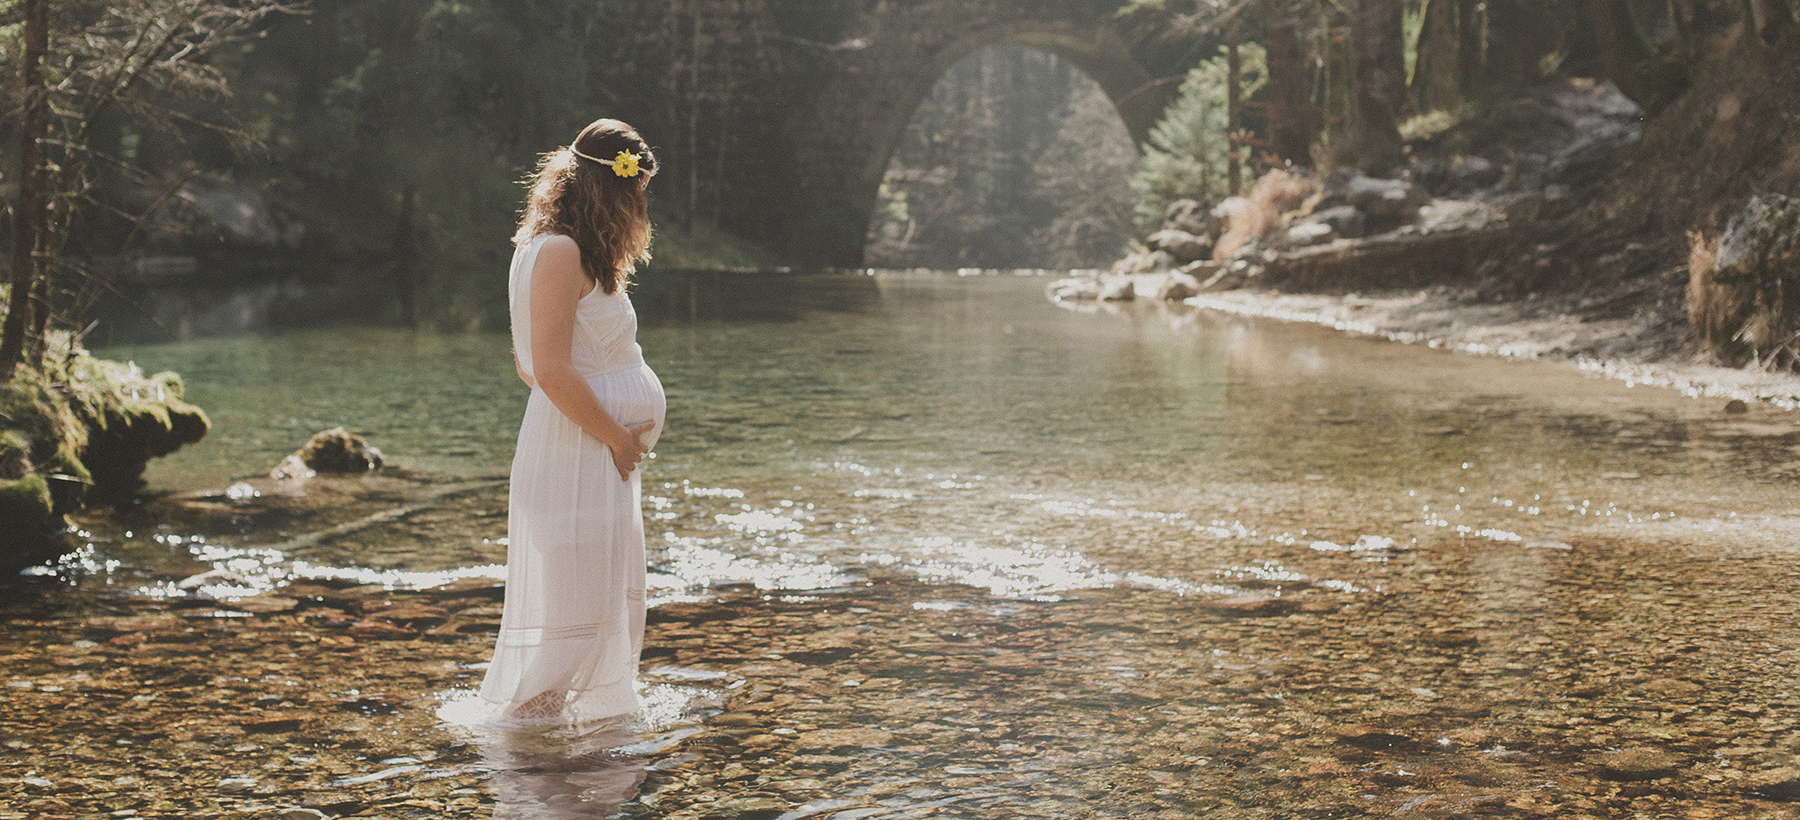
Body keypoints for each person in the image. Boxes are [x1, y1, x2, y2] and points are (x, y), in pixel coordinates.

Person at [480, 118, 665, 724]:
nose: (638, 205)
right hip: (583, 451)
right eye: (634, 192)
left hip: (589, 450)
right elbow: (550, 371)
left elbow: (529, 368)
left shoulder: (555, 249)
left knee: (589, 611)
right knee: (574, 624)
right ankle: (521, 749)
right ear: (611, 189)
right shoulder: (558, 252)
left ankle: (548, 751)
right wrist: (615, 437)